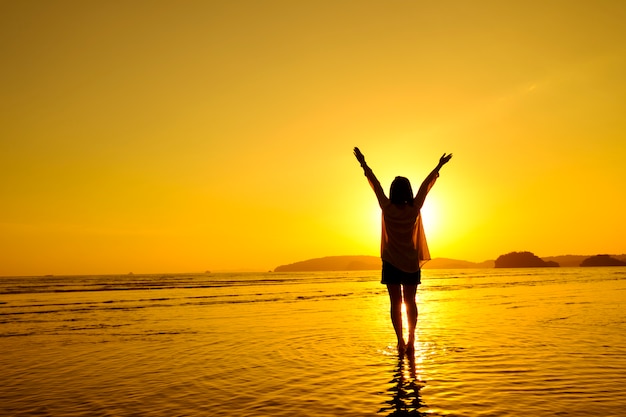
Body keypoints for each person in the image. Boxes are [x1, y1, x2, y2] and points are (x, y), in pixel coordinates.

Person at [354, 147, 452, 355]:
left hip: (391, 262)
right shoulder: (414, 208)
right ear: (408, 192)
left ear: (393, 192)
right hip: (409, 262)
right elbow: (426, 187)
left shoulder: (387, 207)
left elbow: (376, 185)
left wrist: (363, 163)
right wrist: (438, 166)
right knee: (410, 301)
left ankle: (399, 341)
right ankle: (411, 339)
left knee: (395, 303)